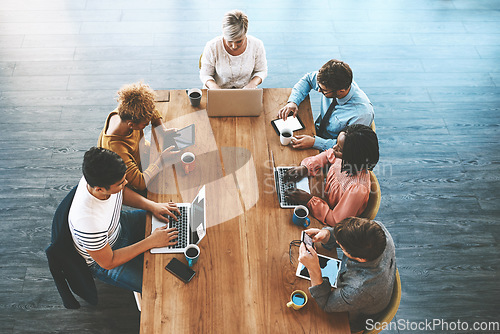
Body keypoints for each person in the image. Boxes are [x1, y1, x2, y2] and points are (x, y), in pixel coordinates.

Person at [68, 147, 179, 293]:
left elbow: (120, 192)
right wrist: (151, 241)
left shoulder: (98, 178)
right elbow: (109, 261)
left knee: (175, 220)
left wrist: (152, 206)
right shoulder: (88, 222)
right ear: (99, 189)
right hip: (107, 257)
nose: (125, 183)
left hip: (118, 226)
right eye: (120, 183)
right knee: (159, 286)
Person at [298, 217, 396, 332]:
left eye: (342, 247)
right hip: (368, 293)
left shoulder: (359, 289)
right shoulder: (378, 231)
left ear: (360, 259)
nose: (338, 242)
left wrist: (313, 270)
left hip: (356, 317)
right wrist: (327, 234)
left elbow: (326, 304)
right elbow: (351, 236)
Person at [285, 124, 379, 226]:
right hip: (322, 199)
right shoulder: (344, 159)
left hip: (328, 219)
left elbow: (336, 220)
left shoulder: (357, 190)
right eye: (336, 143)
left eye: (339, 149)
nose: (334, 147)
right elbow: (327, 155)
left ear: (352, 157)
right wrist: (305, 168)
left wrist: (308, 200)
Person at [98, 81, 178, 193]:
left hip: (143, 153)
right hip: (134, 177)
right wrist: (161, 160)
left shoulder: (127, 110)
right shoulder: (116, 148)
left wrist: (163, 129)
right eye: (145, 124)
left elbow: (152, 112)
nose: (147, 124)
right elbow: (140, 183)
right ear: (131, 125)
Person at [277, 59, 374, 151]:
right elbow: (308, 79)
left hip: (332, 149)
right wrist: (293, 102)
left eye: (324, 90)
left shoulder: (361, 114)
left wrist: (315, 143)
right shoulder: (330, 81)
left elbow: (349, 146)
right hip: (314, 131)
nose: (319, 90)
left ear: (341, 91)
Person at [199, 9, 268, 89]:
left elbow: (261, 70)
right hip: (218, 91)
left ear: (245, 33)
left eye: (239, 41)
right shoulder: (212, 46)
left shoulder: (257, 45)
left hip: (245, 92)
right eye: (230, 41)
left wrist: (253, 83)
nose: (234, 46)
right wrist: (214, 87)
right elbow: (205, 74)